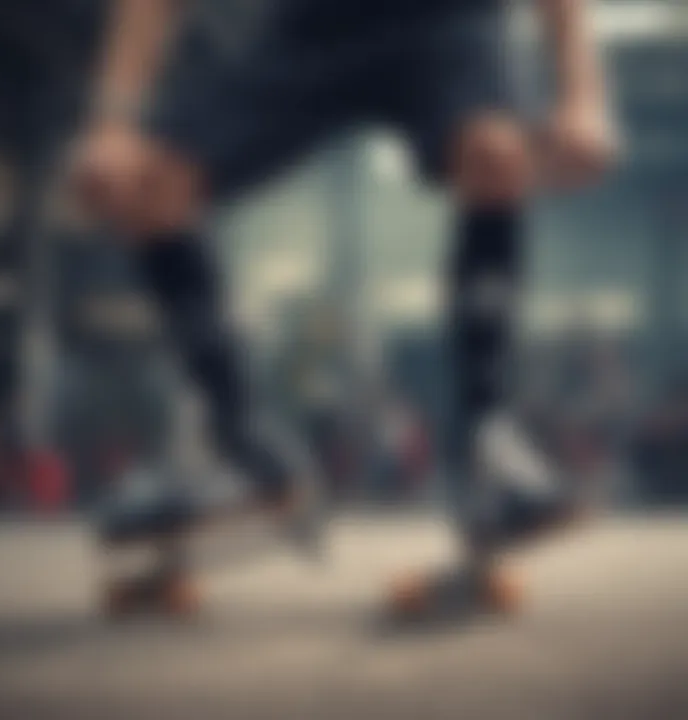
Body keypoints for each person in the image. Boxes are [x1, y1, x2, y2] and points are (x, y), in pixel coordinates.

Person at [72, 0, 615, 614]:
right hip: (312, 25)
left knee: (496, 151)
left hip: (450, 20)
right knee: (149, 186)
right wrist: (111, 123)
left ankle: (486, 449)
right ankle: (244, 450)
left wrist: (583, 98)